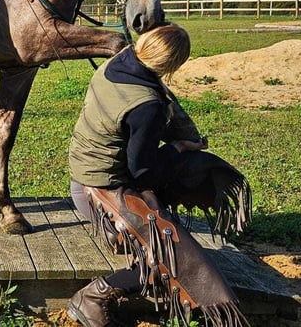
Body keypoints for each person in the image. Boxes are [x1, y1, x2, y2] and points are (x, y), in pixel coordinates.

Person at [67, 23, 252, 327]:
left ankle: (143, 230)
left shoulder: (121, 62)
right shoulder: (147, 106)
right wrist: (178, 146)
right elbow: (143, 172)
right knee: (172, 259)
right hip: (100, 192)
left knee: (180, 203)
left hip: (86, 174)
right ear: (173, 65)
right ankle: (93, 297)